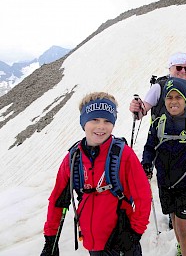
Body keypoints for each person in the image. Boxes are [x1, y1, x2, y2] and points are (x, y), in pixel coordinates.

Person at [41, 92, 151, 256]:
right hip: (93, 244)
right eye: (94, 120)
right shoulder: (73, 159)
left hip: (122, 242)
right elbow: (58, 200)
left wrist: (134, 234)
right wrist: (50, 240)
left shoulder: (123, 155)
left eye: (107, 121)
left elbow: (143, 196)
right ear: (83, 122)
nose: (101, 126)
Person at [129, 52, 186, 234]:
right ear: (170, 68)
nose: (182, 71)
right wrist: (135, 108)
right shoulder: (159, 87)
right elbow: (142, 112)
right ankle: (174, 216)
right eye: (178, 67)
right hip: (163, 144)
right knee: (167, 179)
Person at [141, 78, 186, 256]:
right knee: (174, 220)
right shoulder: (158, 124)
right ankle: (181, 248)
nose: (174, 101)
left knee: (183, 225)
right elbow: (149, 147)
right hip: (165, 182)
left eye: (178, 97)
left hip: (185, 182)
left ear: (185, 101)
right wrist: (146, 165)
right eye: (169, 97)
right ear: (164, 100)